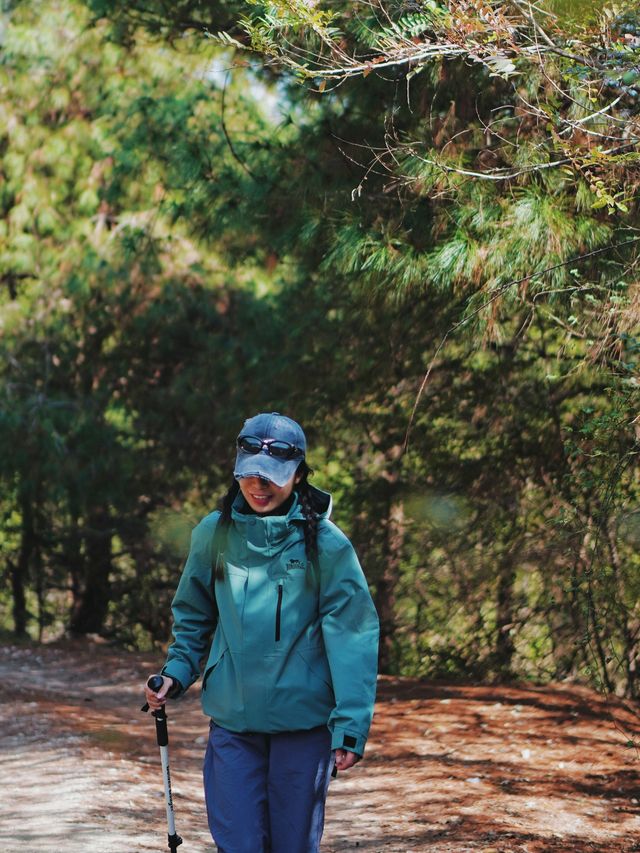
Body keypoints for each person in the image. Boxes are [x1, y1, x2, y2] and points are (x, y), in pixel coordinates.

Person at [144, 412, 379, 853]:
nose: (259, 486)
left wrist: (350, 726)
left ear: (298, 474)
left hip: (303, 729)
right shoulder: (213, 535)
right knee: (238, 845)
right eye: (250, 475)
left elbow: (353, 637)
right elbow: (194, 618)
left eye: (272, 477)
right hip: (233, 722)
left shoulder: (327, 546)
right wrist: (174, 674)